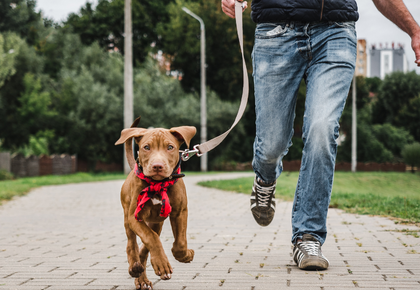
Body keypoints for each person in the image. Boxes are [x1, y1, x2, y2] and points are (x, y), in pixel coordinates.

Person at [221, 0, 420, 270]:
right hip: (275, 31)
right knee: (271, 145)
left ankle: (308, 235)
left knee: (322, 129)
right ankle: (265, 179)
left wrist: (414, 29)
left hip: (335, 33)